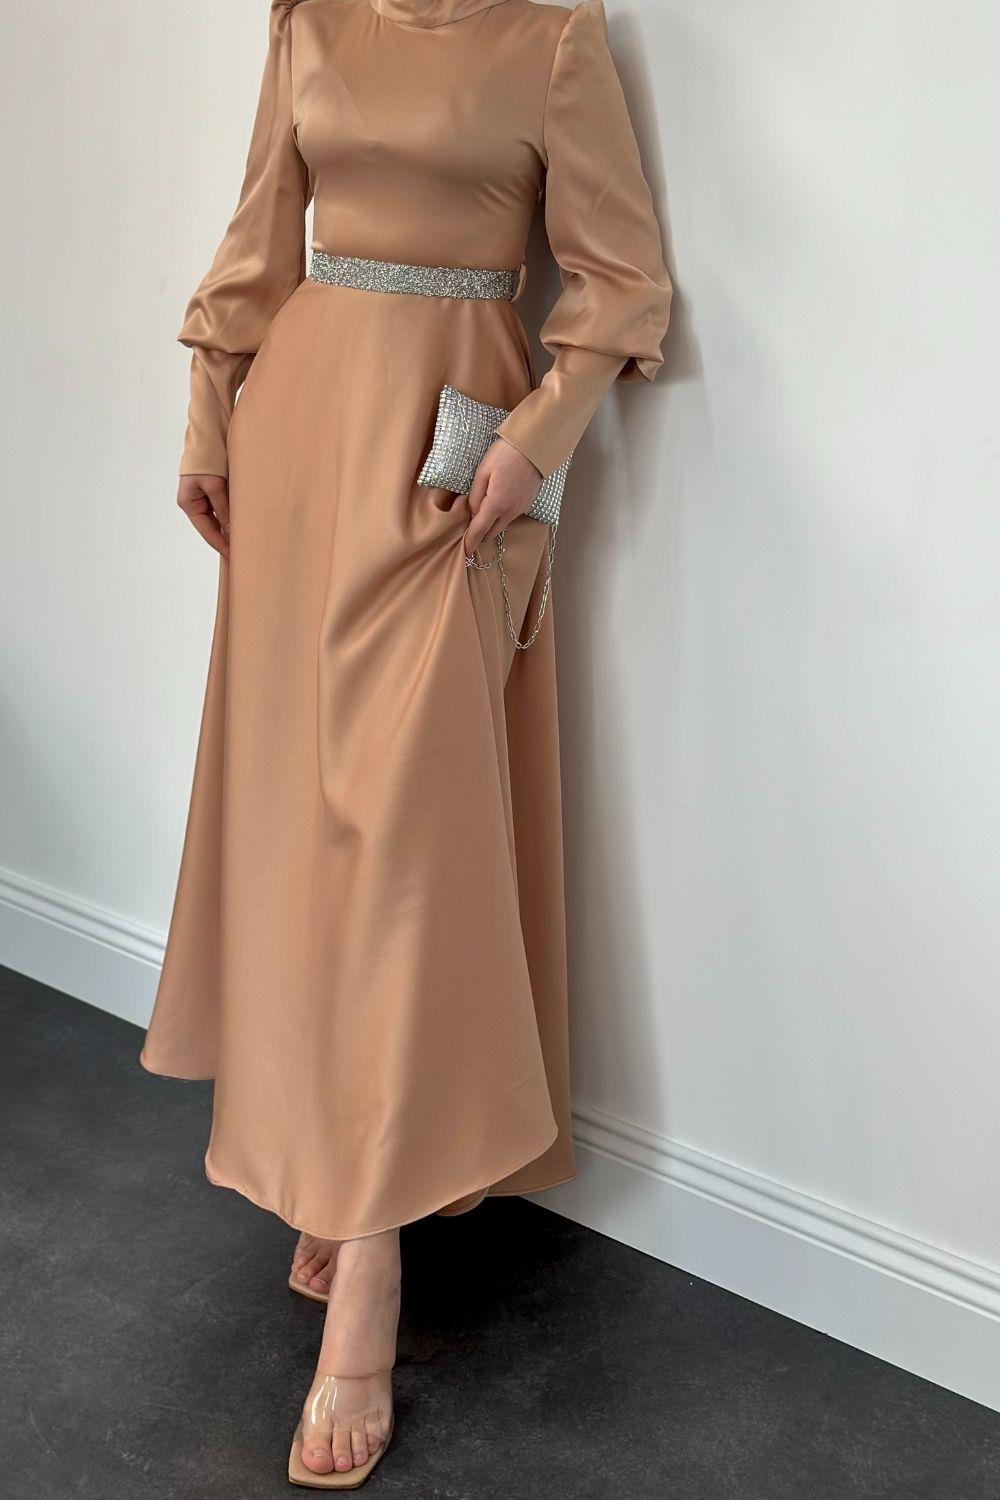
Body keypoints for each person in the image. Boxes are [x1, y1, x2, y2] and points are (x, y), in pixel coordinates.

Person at [140, 0, 670, 1485]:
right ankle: (339, 1166)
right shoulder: (307, 19)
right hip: (301, 438)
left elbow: (624, 284)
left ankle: (368, 1266)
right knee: (305, 829)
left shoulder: (553, 38)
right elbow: (261, 234)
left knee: (403, 846)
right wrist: (207, 407)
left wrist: (534, 439)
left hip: (450, 472)